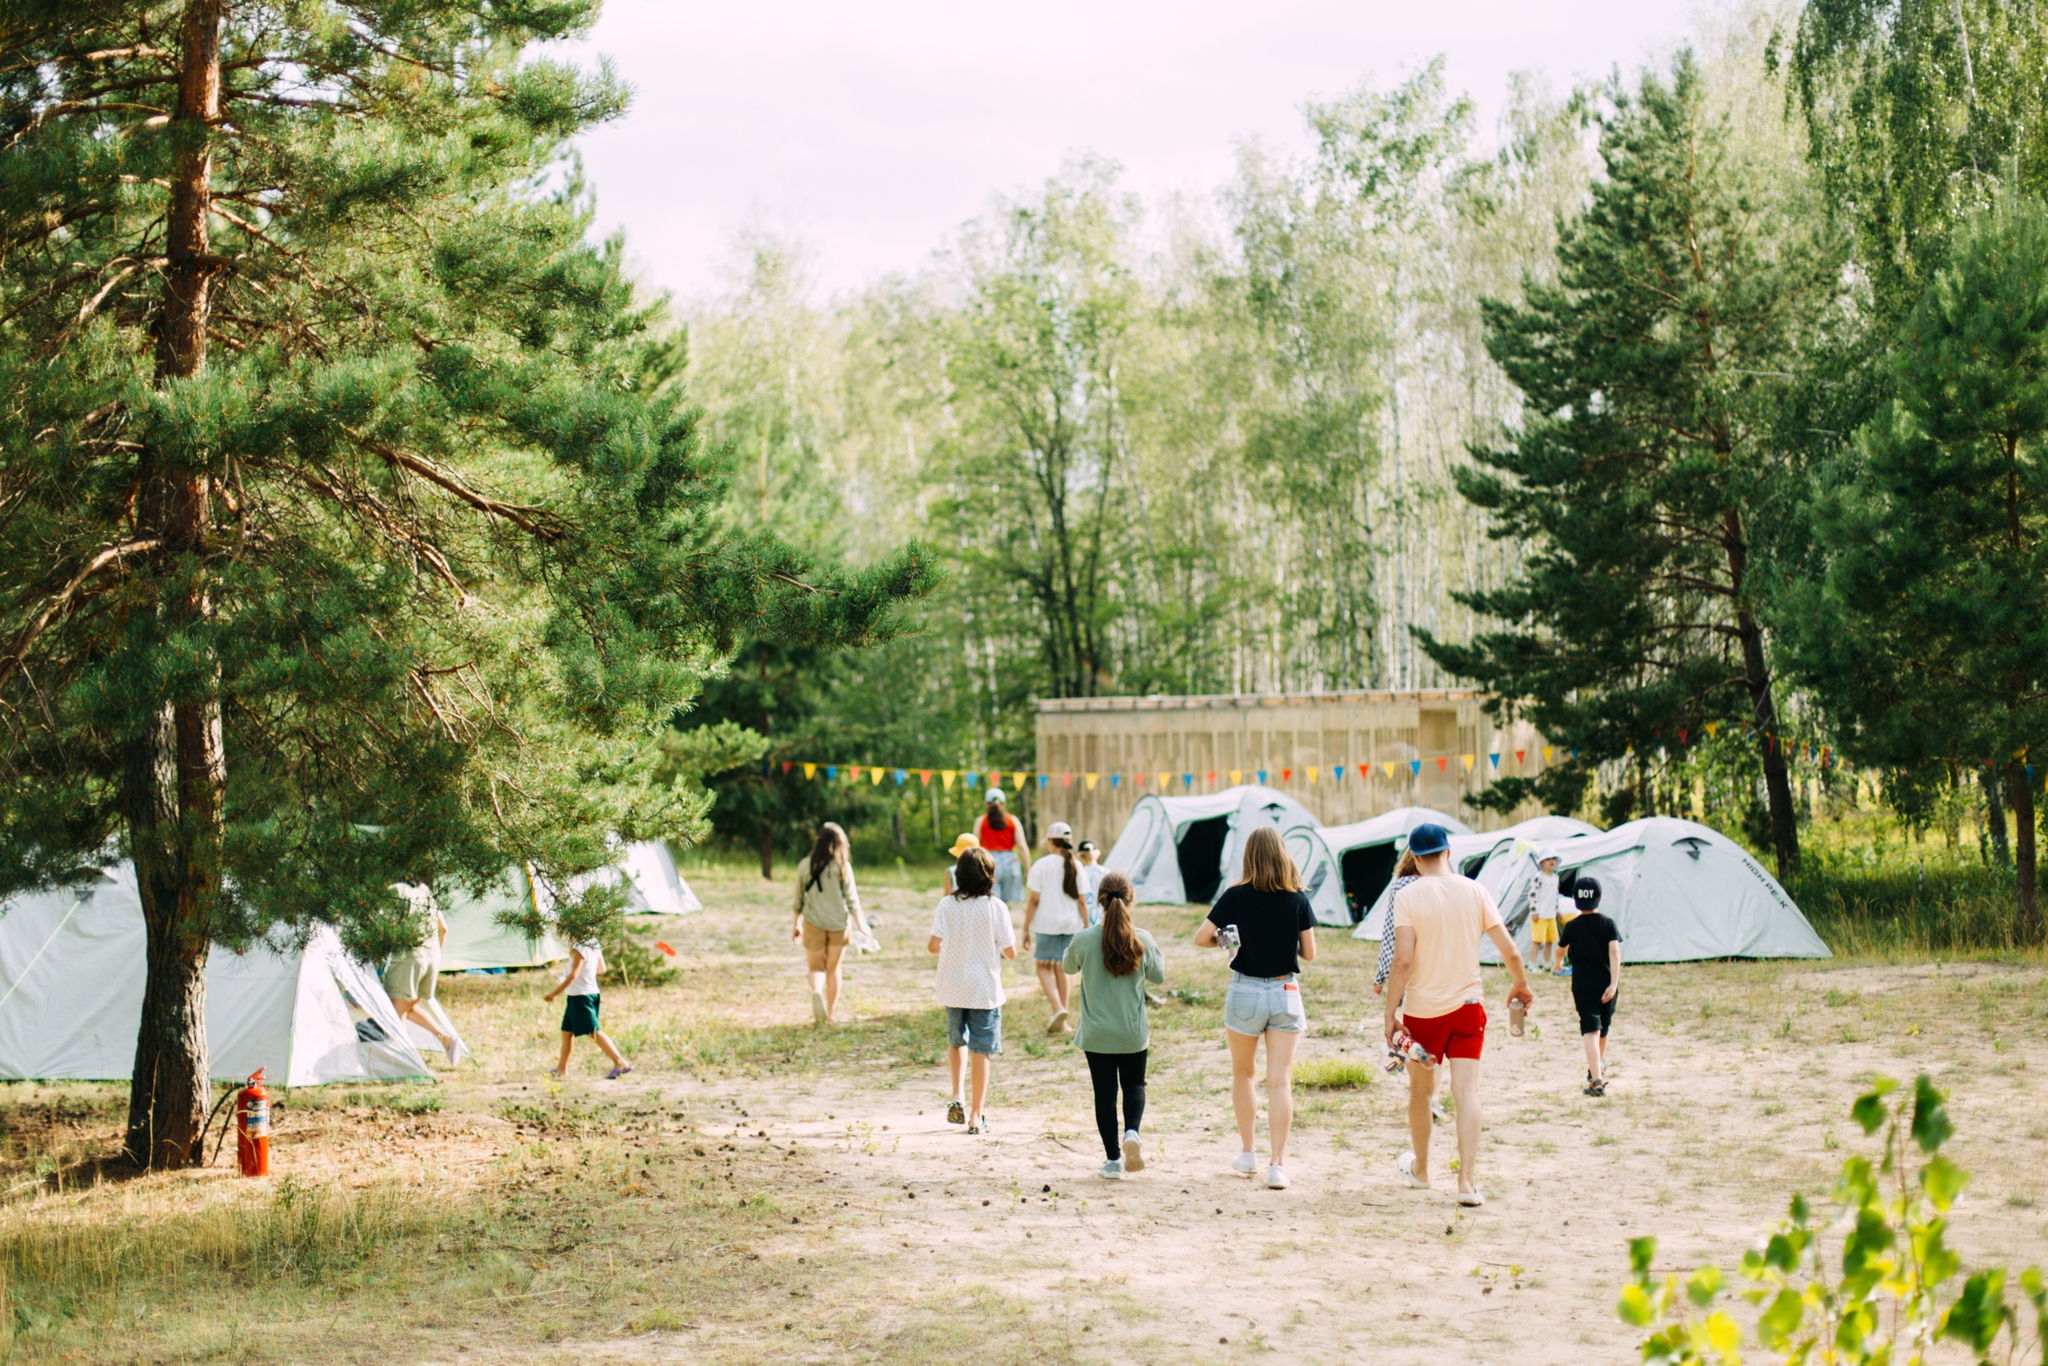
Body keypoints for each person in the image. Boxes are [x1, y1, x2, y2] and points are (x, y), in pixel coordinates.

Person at [1384, 822, 1534, 1208]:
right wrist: (1520, 985)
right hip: (1469, 1009)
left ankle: (1421, 1171)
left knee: (1421, 1091)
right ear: (1449, 852)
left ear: (1415, 859)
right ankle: (1467, 1182)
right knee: (1466, 1092)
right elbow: (1512, 952)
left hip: (1422, 1012)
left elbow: (1402, 960)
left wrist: (1390, 1012)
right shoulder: (1476, 891)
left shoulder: (1409, 895)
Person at [1193, 825, 1317, 1191]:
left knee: (1243, 1074)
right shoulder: (1297, 899)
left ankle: (1247, 1151)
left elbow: (1201, 937)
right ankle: (1277, 1164)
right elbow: (1309, 953)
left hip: (1245, 989)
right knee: (1280, 1081)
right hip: (1285, 988)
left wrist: (1227, 939)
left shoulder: (1234, 896)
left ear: (1249, 856)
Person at [1062, 871, 1164, 1180]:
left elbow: (1067, 967)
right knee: (1134, 1085)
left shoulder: (1084, 939)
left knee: (1104, 1094)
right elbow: (1158, 976)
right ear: (1132, 900)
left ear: (1099, 900)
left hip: (1096, 1035)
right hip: (1132, 1033)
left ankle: (1111, 1160)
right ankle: (1132, 1131)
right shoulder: (1142, 938)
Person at [929, 846, 1017, 1135]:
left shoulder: (946, 905)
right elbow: (1010, 952)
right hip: (984, 989)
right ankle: (976, 1116)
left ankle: (957, 1096)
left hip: (953, 986)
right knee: (982, 1050)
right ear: (989, 876)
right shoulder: (996, 907)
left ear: (959, 875)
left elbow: (933, 945)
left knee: (957, 1042)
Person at [791, 822, 874, 1024]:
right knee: (833, 969)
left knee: (815, 967)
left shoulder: (805, 865)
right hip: (839, 925)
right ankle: (830, 1014)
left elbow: (798, 899)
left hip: (813, 922)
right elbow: (853, 901)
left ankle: (817, 990)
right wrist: (864, 928)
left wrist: (796, 924)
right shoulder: (842, 867)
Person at [385, 881, 467, 1066]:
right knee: (407, 1007)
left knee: (395, 1014)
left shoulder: (396, 890)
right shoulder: (424, 891)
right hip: (432, 958)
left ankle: (403, 1063)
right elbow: (443, 928)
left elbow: (385, 928)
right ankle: (446, 1039)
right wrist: (435, 954)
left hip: (408, 959)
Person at [1556, 875, 1621, 1096]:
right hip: (1606, 985)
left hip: (1583, 986)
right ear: (1600, 898)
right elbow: (1614, 953)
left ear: (1574, 899)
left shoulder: (1571, 926)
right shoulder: (1608, 924)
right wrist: (1614, 983)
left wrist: (1557, 966)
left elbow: (1561, 949)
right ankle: (1597, 1070)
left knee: (1590, 1031)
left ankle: (1597, 1080)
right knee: (1603, 1029)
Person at [1022, 822, 1090, 1034]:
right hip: (1070, 924)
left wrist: (1025, 929)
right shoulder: (1076, 865)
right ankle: (1063, 1020)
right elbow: (1081, 901)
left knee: (1043, 967)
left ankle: (1059, 1009)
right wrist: (1087, 926)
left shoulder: (1041, 865)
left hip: (1046, 923)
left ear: (1050, 841)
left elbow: (1033, 900)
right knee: (1062, 969)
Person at [544, 937, 632, 1079]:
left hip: (581, 996)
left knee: (593, 1031)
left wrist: (554, 993)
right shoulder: (593, 942)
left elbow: (574, 975)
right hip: (588, 992)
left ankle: (620, 1063)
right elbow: (602, 969)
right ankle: (561, 1069)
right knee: (567, 1032)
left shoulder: (578, 948)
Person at [975, 789, 1026, 907]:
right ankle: (1004, 923)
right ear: (1003, 803)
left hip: (988, 860)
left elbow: (975, 846)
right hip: (1010, 861)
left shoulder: (981, 821)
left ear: (986, 804)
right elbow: (1022, 846)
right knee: (1005, 902)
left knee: (992, 900)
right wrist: (1028, 869)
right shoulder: (1013, 820)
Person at [1529, 848, 1562, 974]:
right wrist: (1534, 911)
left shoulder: (1556, 877)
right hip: (1540, 914)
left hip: (1551, 915)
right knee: (1537, 941)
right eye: (1548, 859)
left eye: (1554, 859)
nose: (1551, 861)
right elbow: (1533, 894)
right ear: (1542, 862)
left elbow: (1555, 896)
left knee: (1550, 941)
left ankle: (1547, 964)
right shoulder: (1538, 877)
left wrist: (1557, 911)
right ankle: (1532, 965)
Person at [1077, 839, 1107, 925]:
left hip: (1082, 916)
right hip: (1100, 915)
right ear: (1097, 853)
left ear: (1079, 855)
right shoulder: (1106, 872)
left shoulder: (1078, 872)